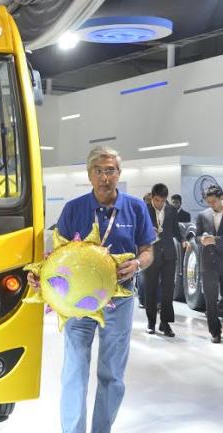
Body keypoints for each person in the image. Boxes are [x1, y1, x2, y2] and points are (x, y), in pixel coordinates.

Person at [28, 145, 154, 433]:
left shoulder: (135, 208)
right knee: (74, 370)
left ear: (119, 173)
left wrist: (137, 263)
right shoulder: (74, 209)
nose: (104, 177)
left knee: (112, 373)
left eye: (110, 170)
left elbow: (147, 250)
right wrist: (41, 278)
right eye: (98, 171)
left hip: (119, 300)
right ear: (89, 175)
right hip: (77, 304)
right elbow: (56, 256)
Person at [144, 183, 188, 337]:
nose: (160, 203)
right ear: (152, 197)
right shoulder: (144, 209)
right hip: (150, 255)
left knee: (168, 290)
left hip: (169, 254)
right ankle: (151, 323)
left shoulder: (171, 210)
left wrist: (183, 240)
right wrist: (148, 232)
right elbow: (138, 231)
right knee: (151, 289)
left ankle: (165, 323)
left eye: (163, 201)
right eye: (157, 200)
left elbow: (176, 229)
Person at [195, 184, 223, 343]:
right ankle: (215, 332)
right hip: (208, 263)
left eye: (214, 201)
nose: (211, 205)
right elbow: (196, 236)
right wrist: (202, 239)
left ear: (221, 198)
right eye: (208, 202)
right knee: (210, 299)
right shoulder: (202, 215)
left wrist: (216, 240)